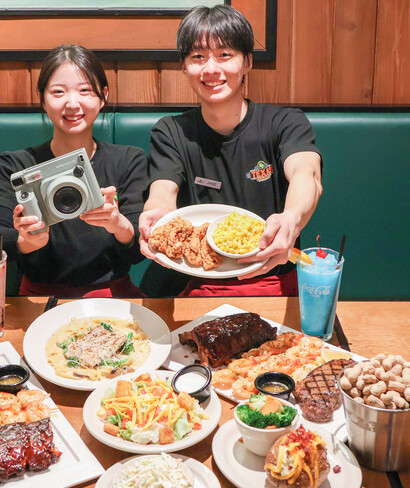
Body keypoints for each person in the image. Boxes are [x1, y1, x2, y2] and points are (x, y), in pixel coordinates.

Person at [138, 5, 323, 297]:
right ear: (184, 67)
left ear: (247, 62)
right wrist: (157, 217)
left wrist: (291, 219)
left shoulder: (284, 123)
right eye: (198, 57)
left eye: (224, 54)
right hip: (199, 282)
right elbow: (162, 192)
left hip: (274, 276)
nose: (211, 68)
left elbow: (306, 174)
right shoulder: (171, 132)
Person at [0, 44, 147, 297]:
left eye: (85, 90)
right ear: (43, 99)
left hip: (113, 295)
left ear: (103, 96)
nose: (72, 103)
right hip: (39, 298)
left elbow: (140, 248)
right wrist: (26, 241)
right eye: (58, 92)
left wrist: (117, 223)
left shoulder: (128, 160)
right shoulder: (15, 165)